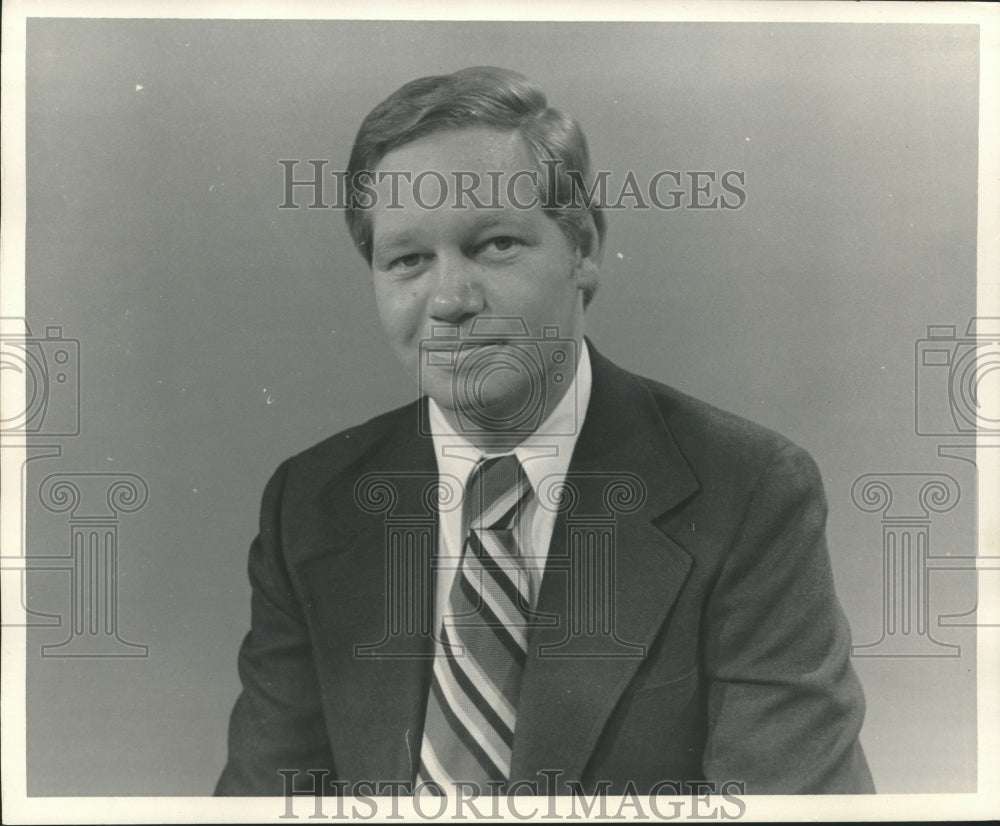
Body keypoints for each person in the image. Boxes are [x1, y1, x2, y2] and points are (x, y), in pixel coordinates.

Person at [216, 66, 874, 797]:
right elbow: (265, 803)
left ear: (583, 249)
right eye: (408, 260)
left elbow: (794, 805)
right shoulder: (310, 503)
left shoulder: (748, 490)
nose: (450, 300)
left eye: (495, 244)